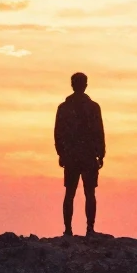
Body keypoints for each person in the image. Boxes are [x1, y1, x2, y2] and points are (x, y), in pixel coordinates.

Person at [54, 72, 105, 237]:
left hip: (72, 156)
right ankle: (89, 229)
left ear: (72, 85)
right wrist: (101, 153)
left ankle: (69, 230)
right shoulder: (93, 107)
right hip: (87, 155)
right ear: (85, 85)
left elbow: (58, 133)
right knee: (88, 193)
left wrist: (61, 153)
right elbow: (99, 132)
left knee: (71, 193)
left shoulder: (64, 108)